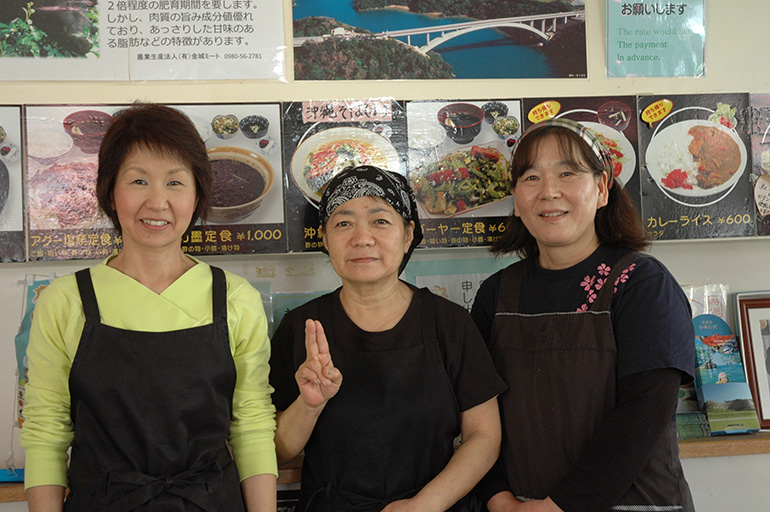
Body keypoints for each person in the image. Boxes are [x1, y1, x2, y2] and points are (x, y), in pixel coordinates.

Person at [20, 104, 277, 512]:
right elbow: (46, 431)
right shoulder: (65, 301)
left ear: (197, 194)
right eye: (138, 180)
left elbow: (252, 424)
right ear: (109, 190)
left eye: (175, 182)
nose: (157, 202)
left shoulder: (234, 297)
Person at [471, 119, 695, 512]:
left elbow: (644, 415)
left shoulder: (641, 283)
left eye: (567, 173)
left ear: (602, 188)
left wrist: (558, 506)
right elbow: (478, 415)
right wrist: (498, 498)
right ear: (516, 198)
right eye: (530, 177)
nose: (548, 192)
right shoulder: (496, 294)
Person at [269, 165, 505, 512]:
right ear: (325, 238)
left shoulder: (450, 322)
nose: (362, 238)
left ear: (408, 233)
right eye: (343, 222)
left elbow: (484, 437)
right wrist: (309, 405)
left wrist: (425, 504)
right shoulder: (301, 327)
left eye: (380, 221)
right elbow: (277, 450)